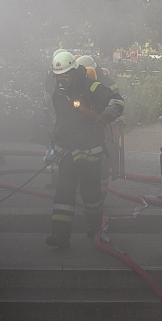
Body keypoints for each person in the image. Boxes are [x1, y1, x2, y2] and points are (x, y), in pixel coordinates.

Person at [46, 51, 124, 249]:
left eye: (64, 76)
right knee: (63, 194)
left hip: (90, 151)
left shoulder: (93, 86)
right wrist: (54, 144)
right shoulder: (59, 91)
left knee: (91, 195)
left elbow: (117, 101)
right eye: (58, 77)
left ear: (73, 72)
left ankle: (95, 228)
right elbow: (60, 121)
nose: (61, 81)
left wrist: (107, 115)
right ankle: (59, 235)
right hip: (67, 151)